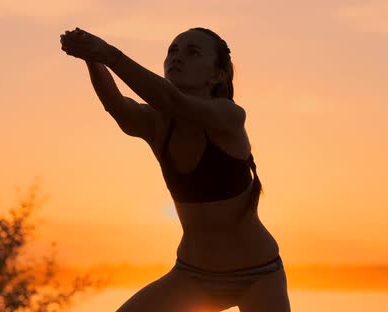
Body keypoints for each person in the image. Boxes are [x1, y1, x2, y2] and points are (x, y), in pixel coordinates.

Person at [60, 27, 291, 312]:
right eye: (172, 51)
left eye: (192, 53)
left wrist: (108, 54)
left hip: (258, 275)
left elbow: (172, 101)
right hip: (192, 275)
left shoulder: (228, 116)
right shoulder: (157, 124)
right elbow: (117, 106)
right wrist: (91, 58)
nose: (177, 58)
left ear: (217, 75)